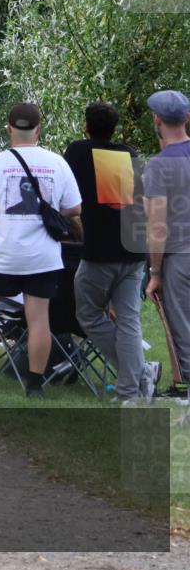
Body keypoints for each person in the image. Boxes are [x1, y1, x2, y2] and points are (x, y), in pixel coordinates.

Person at [0, 102, 82, 397]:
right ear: (39, 129)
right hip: (44, 257)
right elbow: (74, 208)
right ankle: (35, 386)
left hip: (5, 257)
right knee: (39, 318)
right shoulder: (57, 163)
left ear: (9, 129)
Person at [64, 101, 159, 402]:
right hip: (134, 249)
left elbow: (67, 194)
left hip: (100, 250)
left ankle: (137, 374)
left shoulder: (78, 151)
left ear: (86, 125)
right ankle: (131, 389)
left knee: (88, 313)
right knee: (129, 319)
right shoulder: (129, 155)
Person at [143, 90, 190, 395]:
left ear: (157, 120)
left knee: (182, 326)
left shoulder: (158, 166)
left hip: (179, 256)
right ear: (187, 119)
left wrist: (155, 271)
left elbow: (156, 225)